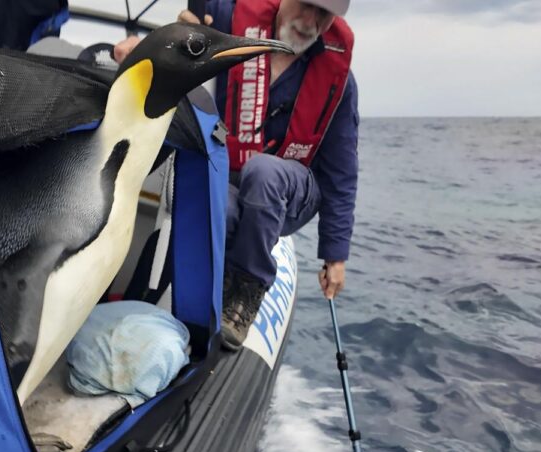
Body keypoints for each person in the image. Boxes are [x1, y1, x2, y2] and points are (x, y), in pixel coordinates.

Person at [116, 0, 360, 351]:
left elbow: (342, 170)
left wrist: (335, 256)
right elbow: (193, 20)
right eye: (306, 6)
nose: (311, 21)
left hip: (293, 190)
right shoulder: (232, 21)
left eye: (324, 14)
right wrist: (146, 48)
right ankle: (201, 296)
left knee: (264, 171)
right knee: (220, 205)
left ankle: (248, 289)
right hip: (231, 177)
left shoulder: (339, 78)